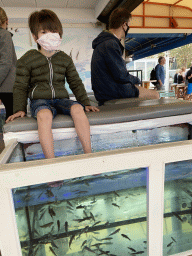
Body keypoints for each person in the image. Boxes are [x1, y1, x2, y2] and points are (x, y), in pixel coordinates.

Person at [6, 9, 99, 159]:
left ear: (60, 34)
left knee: (77, 108)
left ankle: (89, 155)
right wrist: (19, 109)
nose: (50, 35)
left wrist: (85, 102)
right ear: (35, 37)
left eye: (54, 31)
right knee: (44, 115)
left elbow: (75, 82)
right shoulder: (27, 59)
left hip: (61, 99)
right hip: (40, 100)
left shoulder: (64, 59)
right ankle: (51, 161)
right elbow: (20, 86)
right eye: (44, 32)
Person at [91, 7, 159, 106]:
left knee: (139, 90)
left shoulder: (102, 43)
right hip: (112, 92)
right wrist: (137, 80)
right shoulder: (111, 44)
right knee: (155, 95)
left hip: (104, 91)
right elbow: (121, 75)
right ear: (124, 25)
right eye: (129, 24)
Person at [0, 7, 17, 119]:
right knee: (13, 118)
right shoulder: (4, 34)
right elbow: (6, 63)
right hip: (8, 87)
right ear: (6, 20)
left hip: (3, 86)